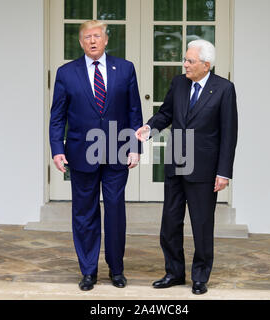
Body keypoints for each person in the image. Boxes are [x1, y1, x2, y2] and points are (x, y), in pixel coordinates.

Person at [136, 39, 238, 295]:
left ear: (206, 64)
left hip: (204, 169)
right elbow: (166, 113)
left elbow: (229, 134)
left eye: (190, 61)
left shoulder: (224, 89)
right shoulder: (179, 83)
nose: (185, 65)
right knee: (170, 223)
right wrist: (150, 127)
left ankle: (200, 276)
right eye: (185, 59)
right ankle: (174, 272)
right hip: (176, 164)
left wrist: (224, 172)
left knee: (202, 225)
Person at [49, 20, 143, 291]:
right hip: (80, 154)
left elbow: (134, 112)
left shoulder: (125, 69)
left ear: (106, 40)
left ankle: (116, 269)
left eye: (97, 36)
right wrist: (57, 149)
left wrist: (135, 148)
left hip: (117, 152)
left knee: (115, 212)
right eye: (87, 37)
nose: (92, 41)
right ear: (81, 43)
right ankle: (88, 271)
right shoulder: (67, 73)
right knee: (84, 214)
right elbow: (57, 117)